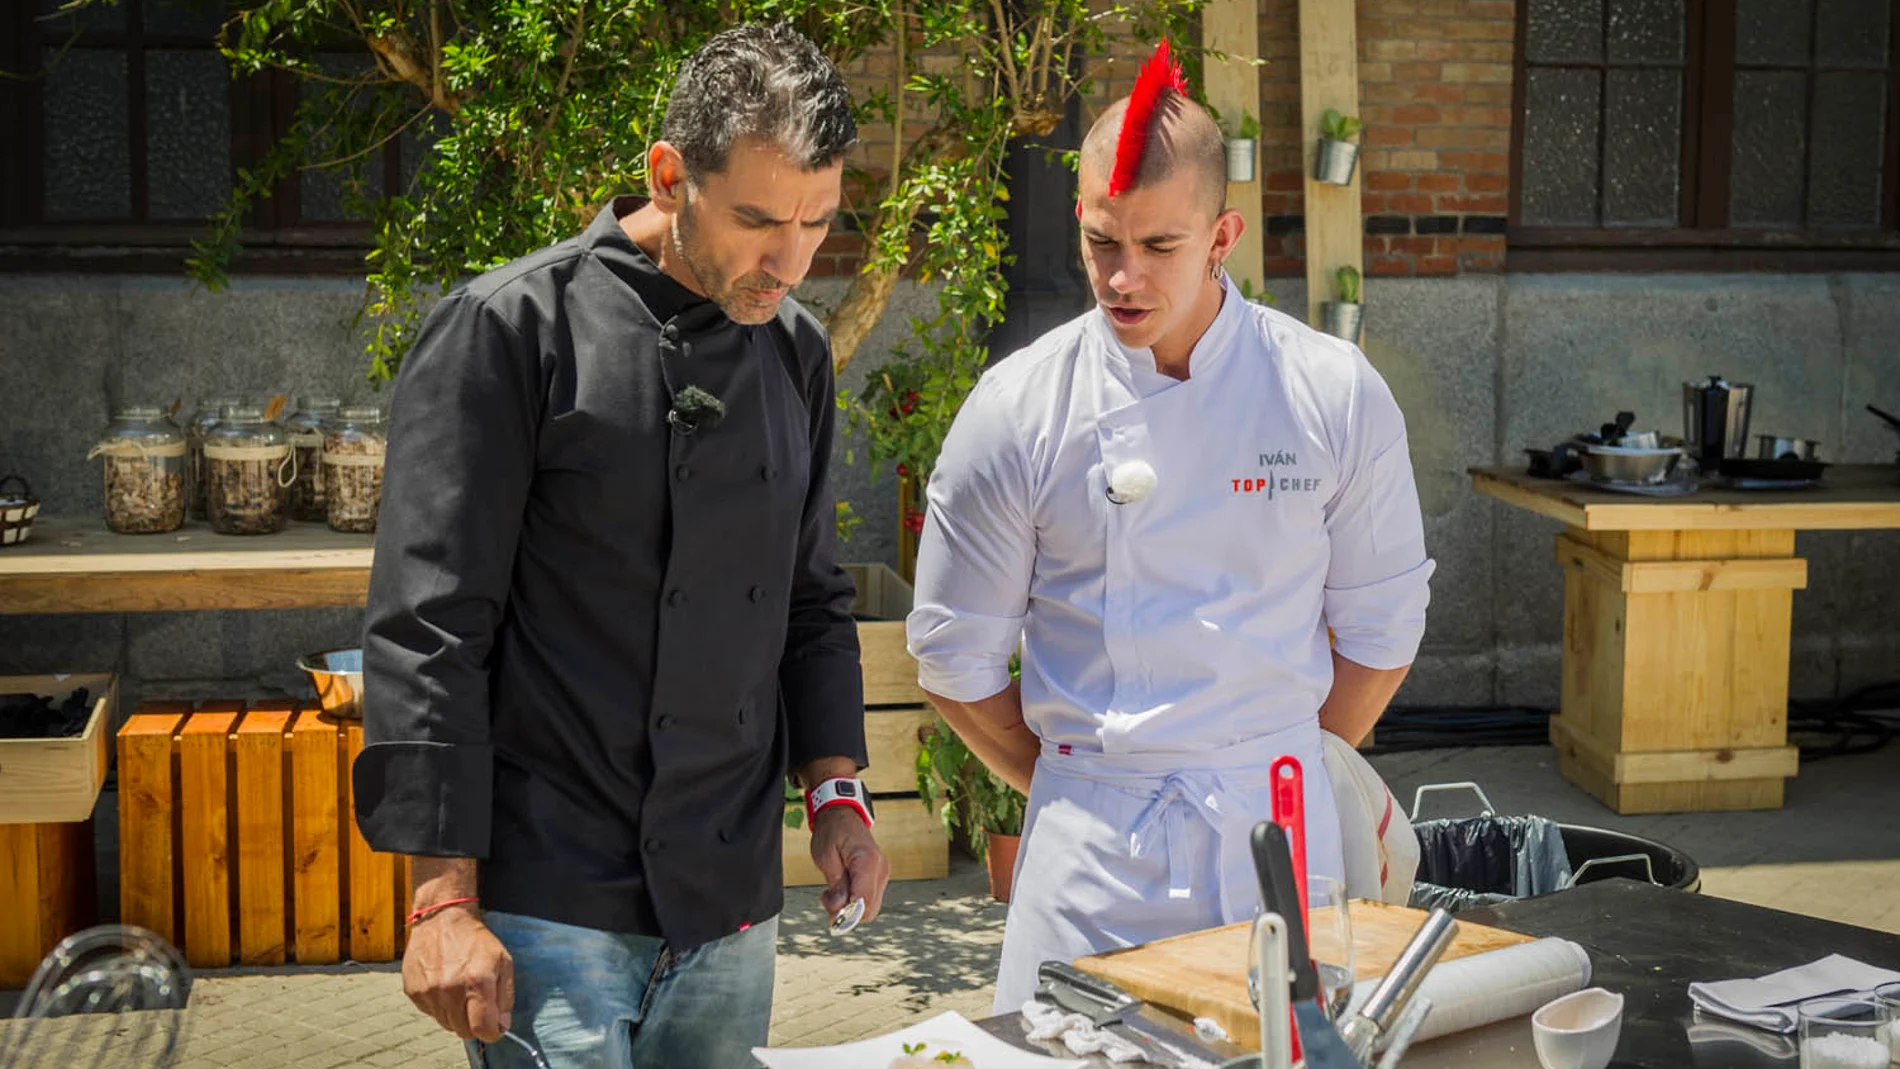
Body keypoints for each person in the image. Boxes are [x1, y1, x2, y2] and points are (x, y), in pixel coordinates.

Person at [352, 23, 891, 1069]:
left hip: (730, 900)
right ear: (669, 173)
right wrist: (439, 899)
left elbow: (810, 599)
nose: (789, 260)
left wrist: (836, 796)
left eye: (818, 224)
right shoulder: (508, 330)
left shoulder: (797, 353)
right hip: (550, 895)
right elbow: (429, 625)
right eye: (757, 220)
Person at [905, 40, 1434, 1012]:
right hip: (1087, 857)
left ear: (1222, 234)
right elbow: (952, 655)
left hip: (1278, 833)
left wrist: (1271, 759)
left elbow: (1382, 623)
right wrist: (1089, 782)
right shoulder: (1018, 406)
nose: (1122, 278)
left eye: (1159, 247)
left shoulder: (1327, 389)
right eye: (1103, 242)